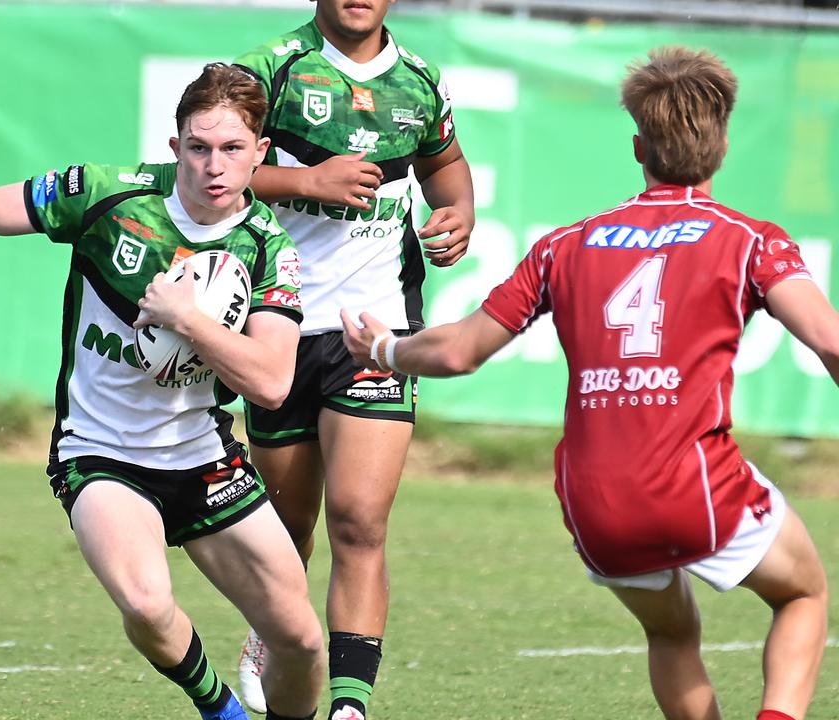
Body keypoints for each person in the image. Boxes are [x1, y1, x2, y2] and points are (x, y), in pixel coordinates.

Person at [0, 63, 326, 720]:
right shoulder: (109, 196)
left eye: (232, 149)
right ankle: (220, 710)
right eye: (198, 147)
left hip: (202, 457)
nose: (214, 166)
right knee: (145, 602)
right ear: (175, 148)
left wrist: (188, 320)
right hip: (101, 453)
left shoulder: (267, 247)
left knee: (303, 642)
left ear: (261, 154)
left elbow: (272, 380)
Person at [341, 47, 829, 720]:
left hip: (594, 499)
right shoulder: (751, 241)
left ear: (639, 148)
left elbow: (457, 352)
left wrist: (385, 347)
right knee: (802, 595)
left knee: (670, 630)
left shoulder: (565, 245)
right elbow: (830, 340)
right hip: (695, 484)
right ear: (721, 146)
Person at [231, 1, 475, 716]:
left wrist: (458, 212)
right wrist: (306, 180)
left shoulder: (422, 82)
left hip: (376, 328)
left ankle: (348, 706)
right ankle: (267, 634)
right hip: (278, 326)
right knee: (287, 528)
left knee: (359, 522)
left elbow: (446, 168)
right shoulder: (269, 68)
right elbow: (214, 171)